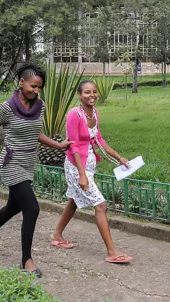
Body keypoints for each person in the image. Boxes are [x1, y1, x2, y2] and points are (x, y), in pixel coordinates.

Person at [0, 63, 72, 278]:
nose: (36, 91)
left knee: (13, 207)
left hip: (29, 162)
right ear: (21, 82)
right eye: (32, 86)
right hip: (11, 163)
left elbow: (35, 133)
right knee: (32, 208)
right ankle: (26, 260)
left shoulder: (41, 106)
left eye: (39, 87)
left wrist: (58, 145)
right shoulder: (6, 108)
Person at [51, 80, 133, 264]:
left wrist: (120, 158)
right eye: (87, 92)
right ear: (80, 95)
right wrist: (81, 174)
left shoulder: (94, 112)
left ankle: (57, 235)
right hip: (75, 166)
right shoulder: (74, 115)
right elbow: (72, 147)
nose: (92, 95)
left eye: (94, 92)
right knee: (100, 204)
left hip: (88, 165)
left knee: (74, 200)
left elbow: (99, 140)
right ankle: (112, 252)